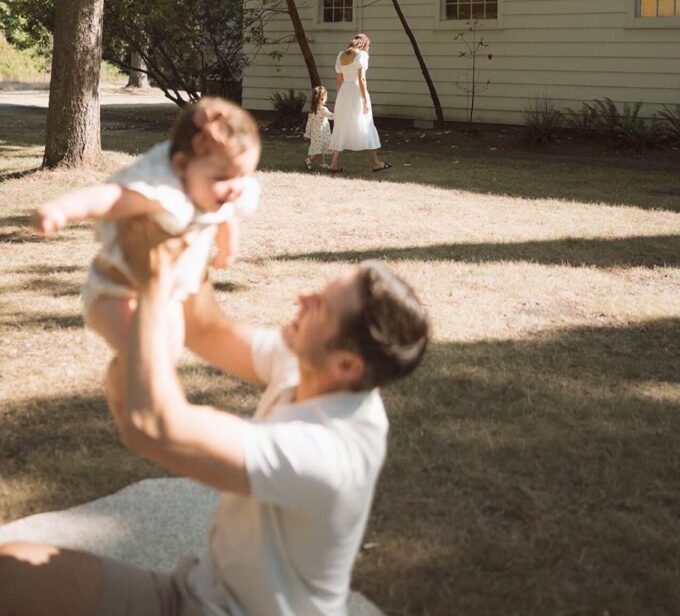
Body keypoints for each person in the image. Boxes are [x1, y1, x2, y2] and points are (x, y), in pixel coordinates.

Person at [0, 220, 430, 616]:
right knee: (12, 572)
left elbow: (155, 427)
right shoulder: (312, 364)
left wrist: (154, 279)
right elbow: (207, 329)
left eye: (321, 306)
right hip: (191, 595)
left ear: (347, 365)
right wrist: (194, 225)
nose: (303, 297)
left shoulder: (330, 452)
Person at [31, 97, 261, 361]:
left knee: (168, 355)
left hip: (166, 295)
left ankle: (124, 393)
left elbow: (227, 216)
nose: (235, 188)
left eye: (242, 175)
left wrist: (227, 249)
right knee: (144, 356)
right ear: (182, 165)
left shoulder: (224, 193)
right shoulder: (161, 191)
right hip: (114, 293)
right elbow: (110, 198)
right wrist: (61, 210)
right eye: (222, 177)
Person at [328, 33, 391, 174]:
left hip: (344, 92)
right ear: (364, 44)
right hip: (357, 92)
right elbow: (361, 79)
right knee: (365, 124)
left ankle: (334, 163)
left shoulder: (340, 55)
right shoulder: (362, 55)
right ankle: (375, 163)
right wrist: (364, 100)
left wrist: (341, 97)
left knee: (342, 125)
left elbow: (339, 80)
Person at [304, 85, 334, 169]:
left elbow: (309, 124)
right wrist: (338, 115)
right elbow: (331, 116)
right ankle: (308, 160)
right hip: (322, 133)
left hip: (315, 134)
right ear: (321, 99)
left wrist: (307, 134)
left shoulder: (312, 110)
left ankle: (322, 163)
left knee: (320, 148)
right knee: (319, 150)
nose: (326, 100)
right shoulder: (323, 109)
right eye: (325, 98)